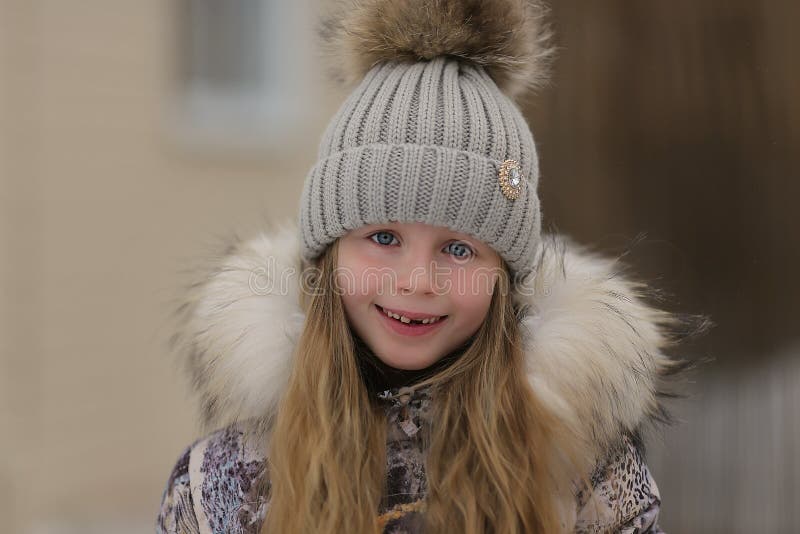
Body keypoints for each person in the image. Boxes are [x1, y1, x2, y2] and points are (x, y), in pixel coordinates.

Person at [156, 0, 694, 532]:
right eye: (384, 236)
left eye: (458, 249)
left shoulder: (581, 475)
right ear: (329, 255)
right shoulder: (225, 486)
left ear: (503, 277)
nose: (416, 280)